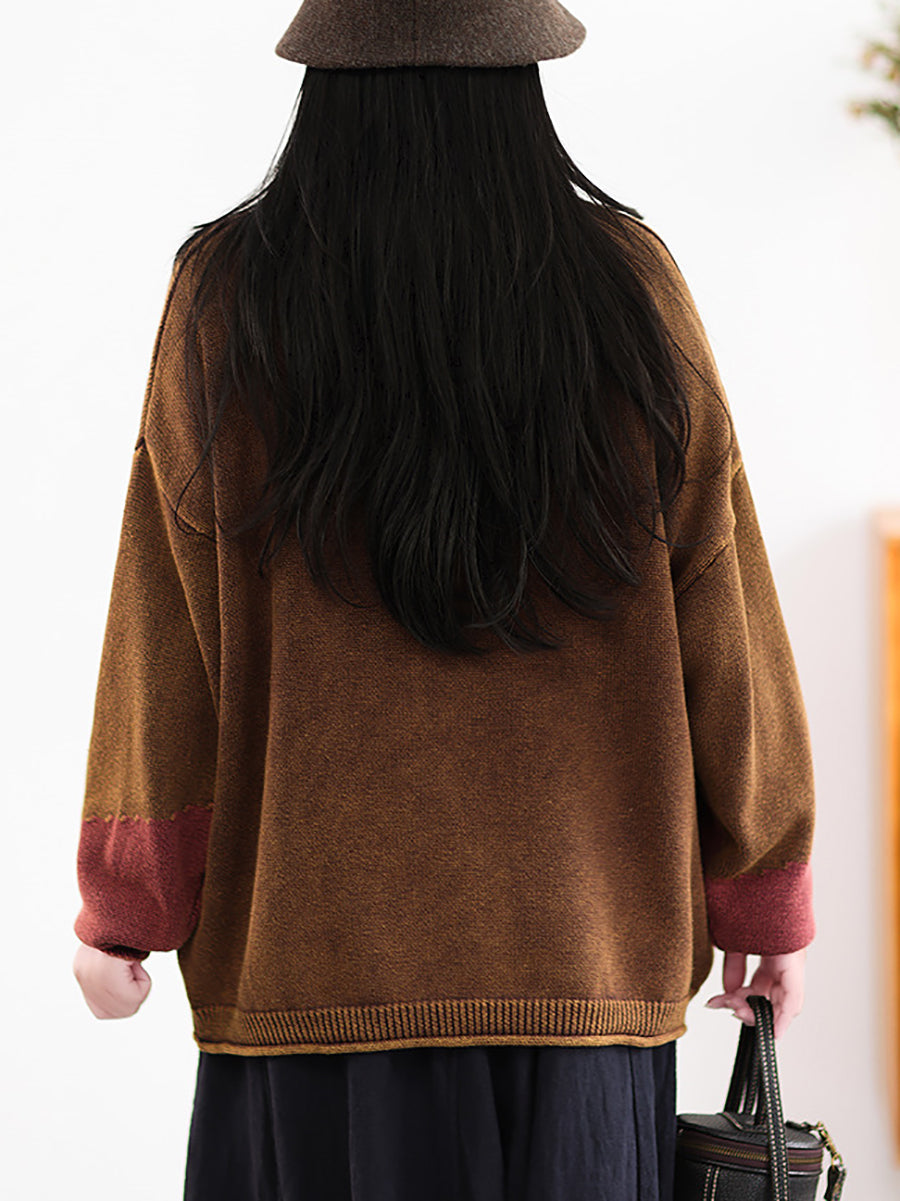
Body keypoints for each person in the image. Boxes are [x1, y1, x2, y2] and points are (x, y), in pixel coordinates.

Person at [71, 2, 815, 1199]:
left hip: (310, 984)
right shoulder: (628, 283)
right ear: (523, 72)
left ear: (327, 72)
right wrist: (763, 897)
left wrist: (126, 908)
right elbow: (723, 608)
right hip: (585, 978)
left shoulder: (227, 292)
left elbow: (165, 634)